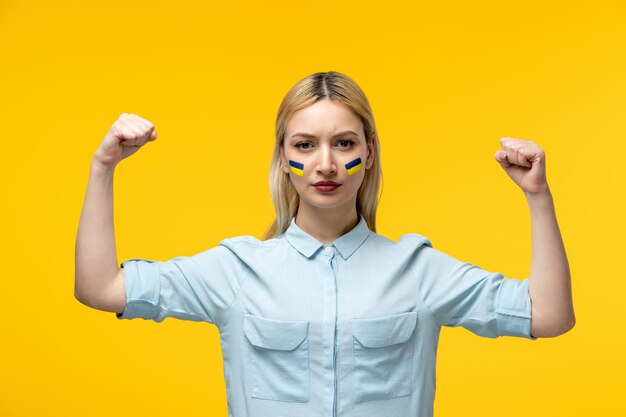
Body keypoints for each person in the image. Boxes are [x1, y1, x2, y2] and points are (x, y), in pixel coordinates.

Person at [74, 71, 575, 417]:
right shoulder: (235, 270)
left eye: (344, 143)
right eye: (305, 145)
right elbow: (100, 287)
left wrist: (538, 197)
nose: (326, 165)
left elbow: (549, 316)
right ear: (283, 156)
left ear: (369, 152)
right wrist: (103, 168)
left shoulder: (418, 270)